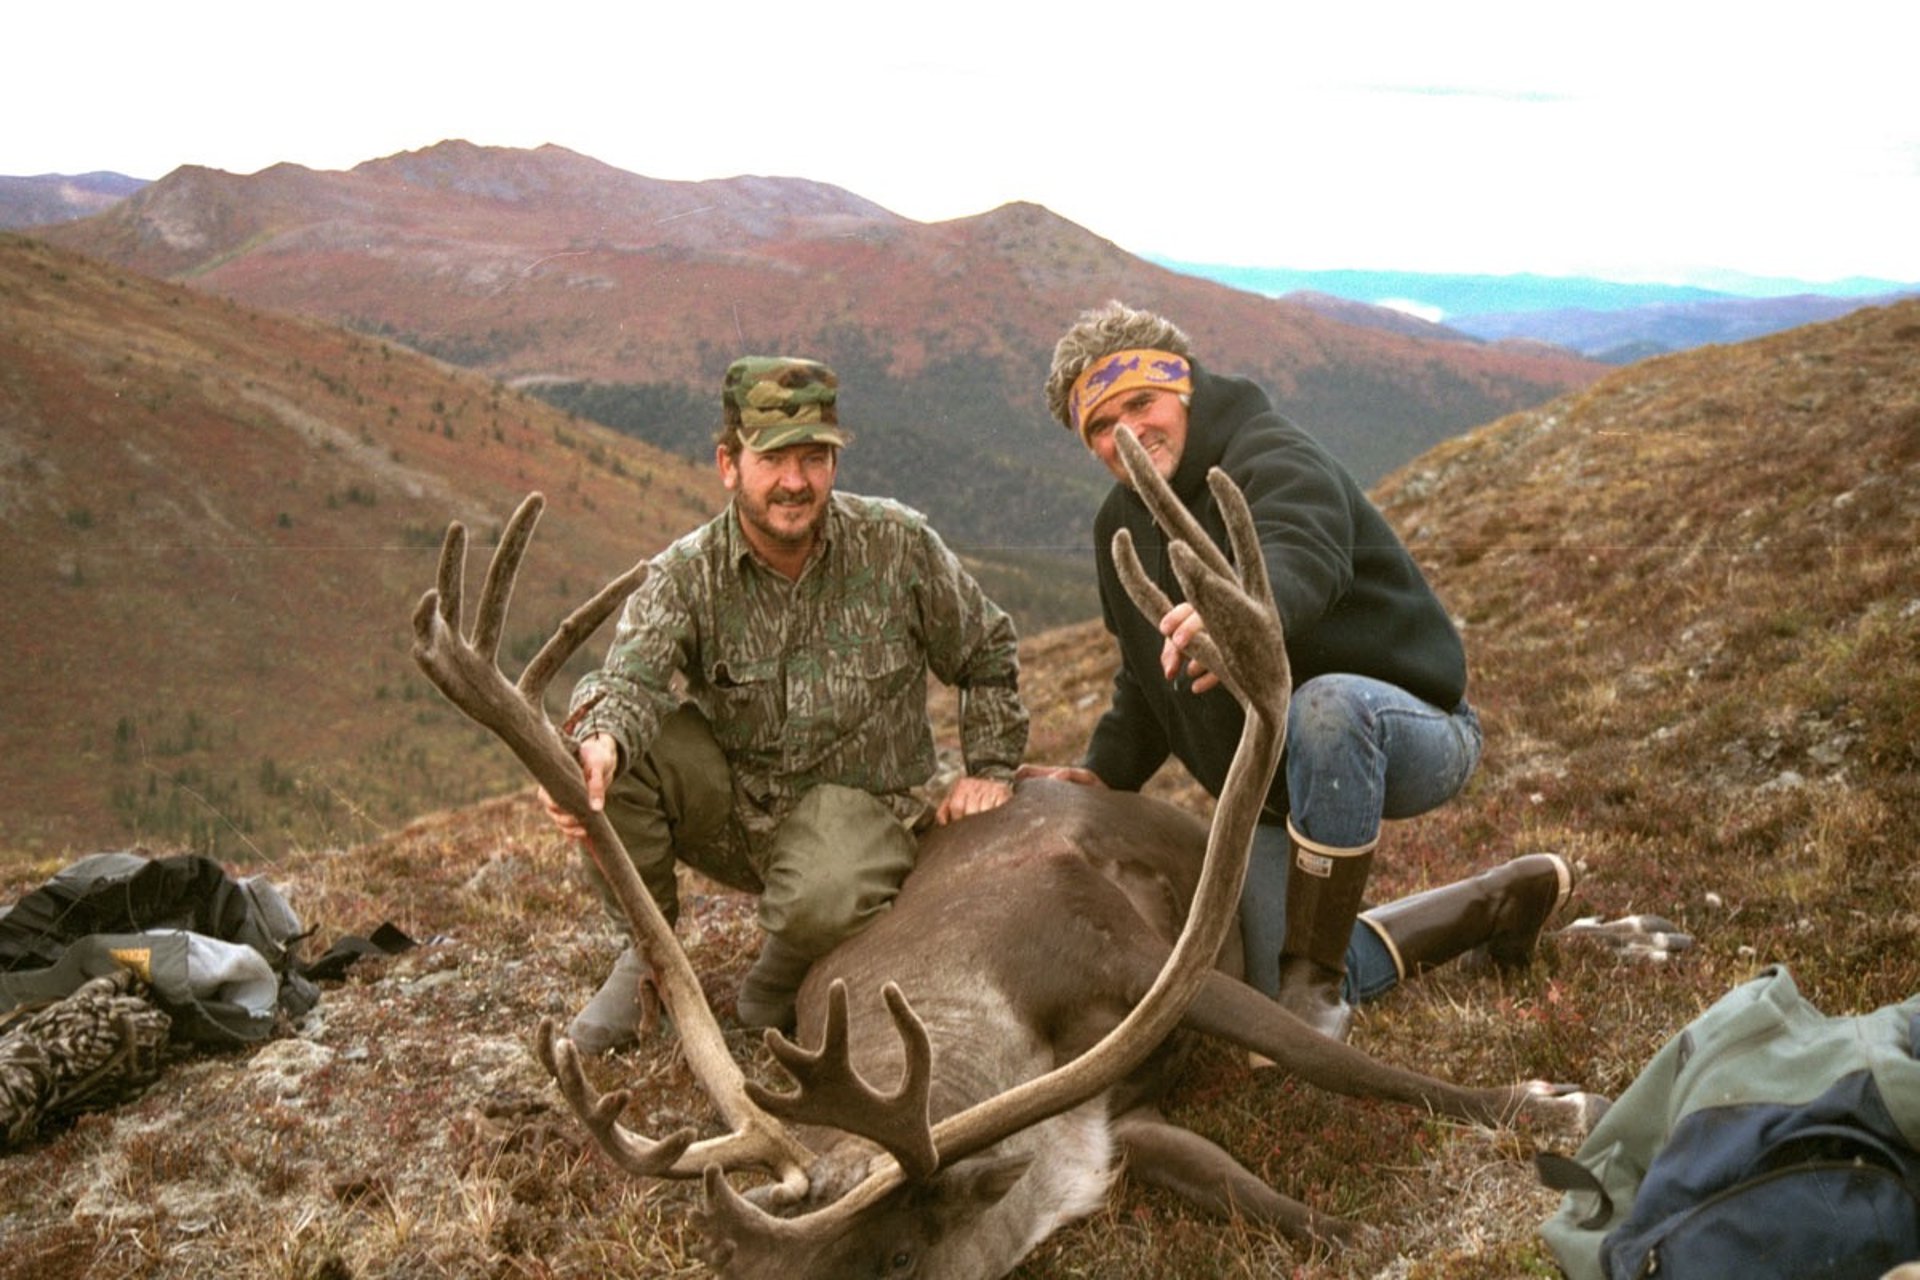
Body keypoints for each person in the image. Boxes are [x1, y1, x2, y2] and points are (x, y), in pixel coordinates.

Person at [1023, 301, 1569, 1041]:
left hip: (1404, 729)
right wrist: (1103, 771)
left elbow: (1303, 551)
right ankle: (1496, 902)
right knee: (1257, 985)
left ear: (1184, 388)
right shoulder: (1117, 528)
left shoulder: (1270, 450)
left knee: (1325, 708)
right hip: (1277, 791)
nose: (1128, 432)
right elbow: (1144, 679)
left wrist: (1244, 613)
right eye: (1101, 424)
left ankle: (1315, 986)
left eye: (1142, 402)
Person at [542, 355, 1028, 1053]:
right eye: (772, 459)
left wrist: (991, 767)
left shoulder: (898, 546)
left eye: (814, 458)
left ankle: (786, 967)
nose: (795, 482)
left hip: (859, 815)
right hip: (739, 808)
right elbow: (628, 682)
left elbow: (986, 649)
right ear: (728, 464)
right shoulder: (687, 574)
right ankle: (648, 956)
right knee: (609, 764)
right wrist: (598, 742)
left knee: (822, 893)